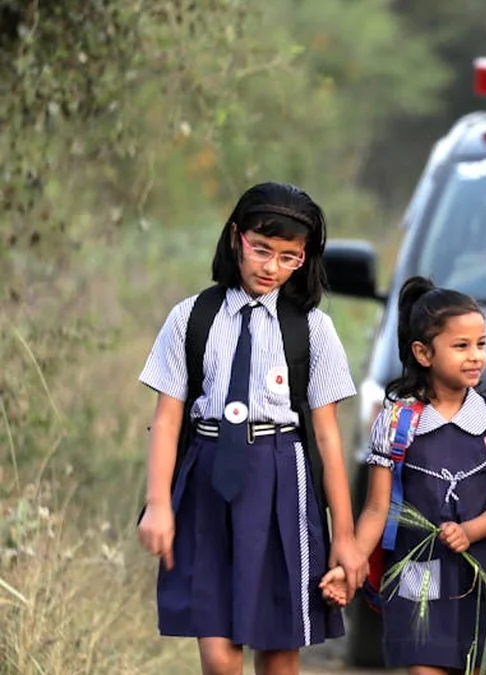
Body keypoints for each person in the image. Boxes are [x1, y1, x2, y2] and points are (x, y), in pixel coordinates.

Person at [136, 182, 364, 675]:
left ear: (304, 258)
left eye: (288, 257)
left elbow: (327, 436)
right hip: (207, 482)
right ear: (235, 237)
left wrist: (344, 536)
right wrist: (158, 504)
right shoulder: (190, 318)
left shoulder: (313, 329)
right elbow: (168, 419)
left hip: (283, 482)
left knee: (279, 655)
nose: (271, 267)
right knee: (219, 657)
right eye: (261, 250)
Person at [319, 276, 486, 674]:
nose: (475, 356)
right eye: (461, 346)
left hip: (478, 571)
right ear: (423, 353)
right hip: (417, 570)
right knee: (422, 665)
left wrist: (471, 531)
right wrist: (350, 566)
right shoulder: (396, 422)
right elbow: (377, 509)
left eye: (481, 344)